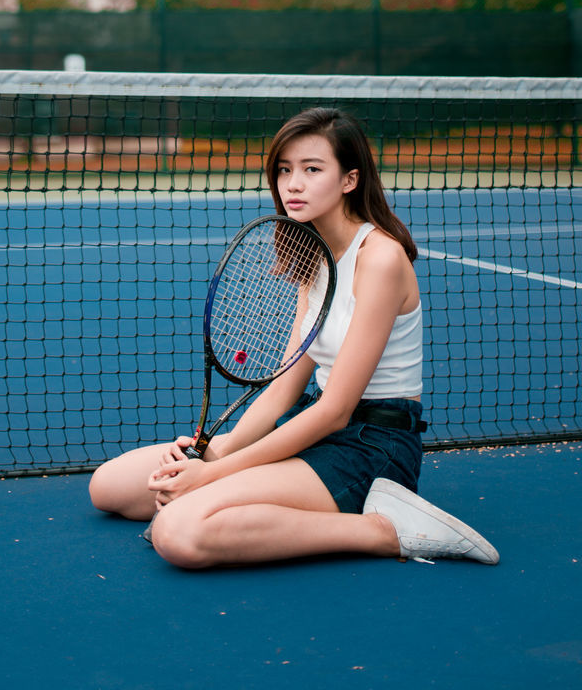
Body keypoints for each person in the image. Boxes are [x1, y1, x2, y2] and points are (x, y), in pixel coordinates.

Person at [89, 107, 499, 569]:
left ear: (349, 180)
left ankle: (385, 529)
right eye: (285, 170)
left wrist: (212, 475)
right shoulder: (314, 255)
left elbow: (335, 410)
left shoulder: (380, 260)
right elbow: (286, 385)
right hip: (313, 424)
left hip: (372, 445)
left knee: (179, 532)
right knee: (110, 486)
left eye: (311, 169)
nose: (293, 184)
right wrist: (223, 447)